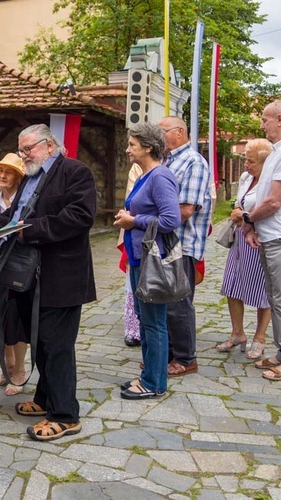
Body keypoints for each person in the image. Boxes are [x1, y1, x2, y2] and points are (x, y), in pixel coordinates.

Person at [0, 124, 96, 441]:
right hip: (31, 276)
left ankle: (66, 415)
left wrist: (29, 230)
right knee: (41, 343)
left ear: (50, 146)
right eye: (21, 149)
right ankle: (46, 399)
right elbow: (14, 215)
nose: (23, 155)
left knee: (57, 347)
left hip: (62, 277)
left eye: (28, 148)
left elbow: (81, 216)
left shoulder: (75, 171)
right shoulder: (30, 177)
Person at [114, 123, 181, 399]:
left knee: (154, 322)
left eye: (132, 144)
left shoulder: (160, 176)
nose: (128, 149)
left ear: (148, 147)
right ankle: (149, 375)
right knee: (145, 320)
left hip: (153, 260)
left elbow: (171, 219)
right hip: (139, 258)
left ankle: (155, 382)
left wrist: (134, 220)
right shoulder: (145, 176)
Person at [243, 99, 281, 381]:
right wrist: (253, 227)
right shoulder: (277, 151)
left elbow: (275, 201)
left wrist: (250, 219)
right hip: (271, 234)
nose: (261, 124)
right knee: (276, 297)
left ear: (280, 119)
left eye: (265, 119)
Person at [158, 116, 212, 377]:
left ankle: (186, 358)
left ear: (179, 132)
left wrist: (150, 222)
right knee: (165, 302)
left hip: (183, 244)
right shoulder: (168, 160)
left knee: (179, 304)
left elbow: (186, 209)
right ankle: (168, 356)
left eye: (163, 131)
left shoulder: (193, 162)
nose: (160, 137)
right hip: (166, 244)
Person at [217, 139, 272, 359]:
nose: (246, 165)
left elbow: (270, 209)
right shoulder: (245, 177)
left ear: (265, 163)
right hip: (241, 237)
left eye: (251, 161)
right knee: (232, 285)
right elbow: (240, 203)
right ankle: (238, 333)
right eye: (245, 160)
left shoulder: (270, 183)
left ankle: (260, 338)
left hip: (259, 239)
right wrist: (237, 211)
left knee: (262, 291)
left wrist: (246, 217)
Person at [0, 153, 28, 396]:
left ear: (19, 176)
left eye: (8, 171)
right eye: (0, 170)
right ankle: (6, 367)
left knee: (17, 318)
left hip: (18, 263)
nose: (2, 175)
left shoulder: (24, 198)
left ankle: (19, 371)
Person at [118, 163, 144, 347]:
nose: (128, 149)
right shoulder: (137, 167)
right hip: (136, 230)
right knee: (133, 281)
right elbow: (130, 200)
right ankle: (134, 329)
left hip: (160, 233)